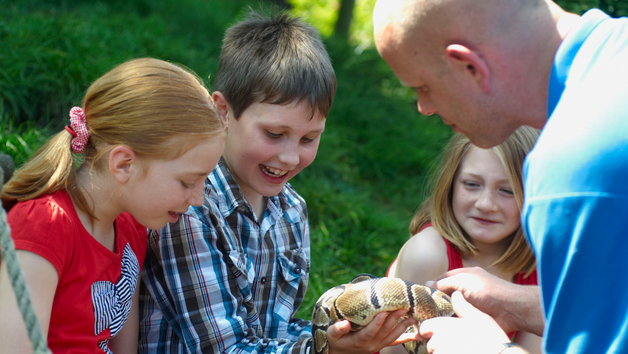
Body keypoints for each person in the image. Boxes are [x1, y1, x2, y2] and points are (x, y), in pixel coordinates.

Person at [138, 9, 418, 354]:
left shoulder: (291, 210)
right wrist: (324, 350)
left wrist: (342, 332)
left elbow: (276, 329)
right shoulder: (188, 207)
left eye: (308, 139)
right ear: (223, 112)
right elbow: (223, 349)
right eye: (274, 134)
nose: (289, 157)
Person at [373, 0, 628, 353]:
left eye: (424, 86)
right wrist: (518, 303)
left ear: (469, 67)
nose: (424, 107)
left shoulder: (572, 173)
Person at [0, 58, 225, 354]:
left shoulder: (130, 229)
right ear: (123, 164)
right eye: (187, 182)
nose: (198, 199)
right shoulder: (44, 226)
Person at [382, 127, 541, 354]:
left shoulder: (538, 268)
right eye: (472, 184)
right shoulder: (427, 255)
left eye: (506, 190)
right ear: (451, 183)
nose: (485, 204)